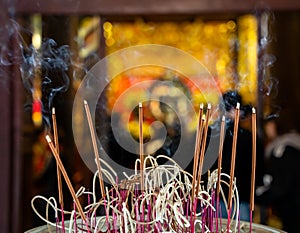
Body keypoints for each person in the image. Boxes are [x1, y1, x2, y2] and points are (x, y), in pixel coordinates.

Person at [210, 90, 265, 221]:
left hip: (237, 197)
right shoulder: (211, 134)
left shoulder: (248, 137)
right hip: (221, 197)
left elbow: (257, 168)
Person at [256, 117, 300, 233]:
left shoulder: (283, 149)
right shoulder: (291, 145)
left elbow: (281, 181)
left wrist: (262, 196)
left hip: (292, 204)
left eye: (270, 125)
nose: (267, 129)